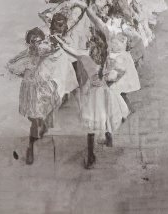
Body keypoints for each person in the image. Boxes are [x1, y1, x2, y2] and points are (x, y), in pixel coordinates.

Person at [53, 31, 129, 169]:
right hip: (102, 93)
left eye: (91, 45)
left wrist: (59, 40)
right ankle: (101, 144)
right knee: (102, 118)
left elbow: (71, 51)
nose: (90, 47)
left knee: (95, 121)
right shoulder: (103, 58)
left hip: (96, 95)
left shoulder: (89, 58)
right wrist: (110, 81)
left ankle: (93, 153)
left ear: (95, 47)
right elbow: (121, 71)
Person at [6, 27, 62, 165]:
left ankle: (31, 147)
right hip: (29, 89)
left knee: (38, 118)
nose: (36, 44)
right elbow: (10, 64)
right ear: (29, 42)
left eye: (39, 41)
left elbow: (58, 54)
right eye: (33, 41)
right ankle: (37, 134)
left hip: (42, 88)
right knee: (34, 118)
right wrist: (22, 75)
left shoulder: (46, 51)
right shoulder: (25, 54)